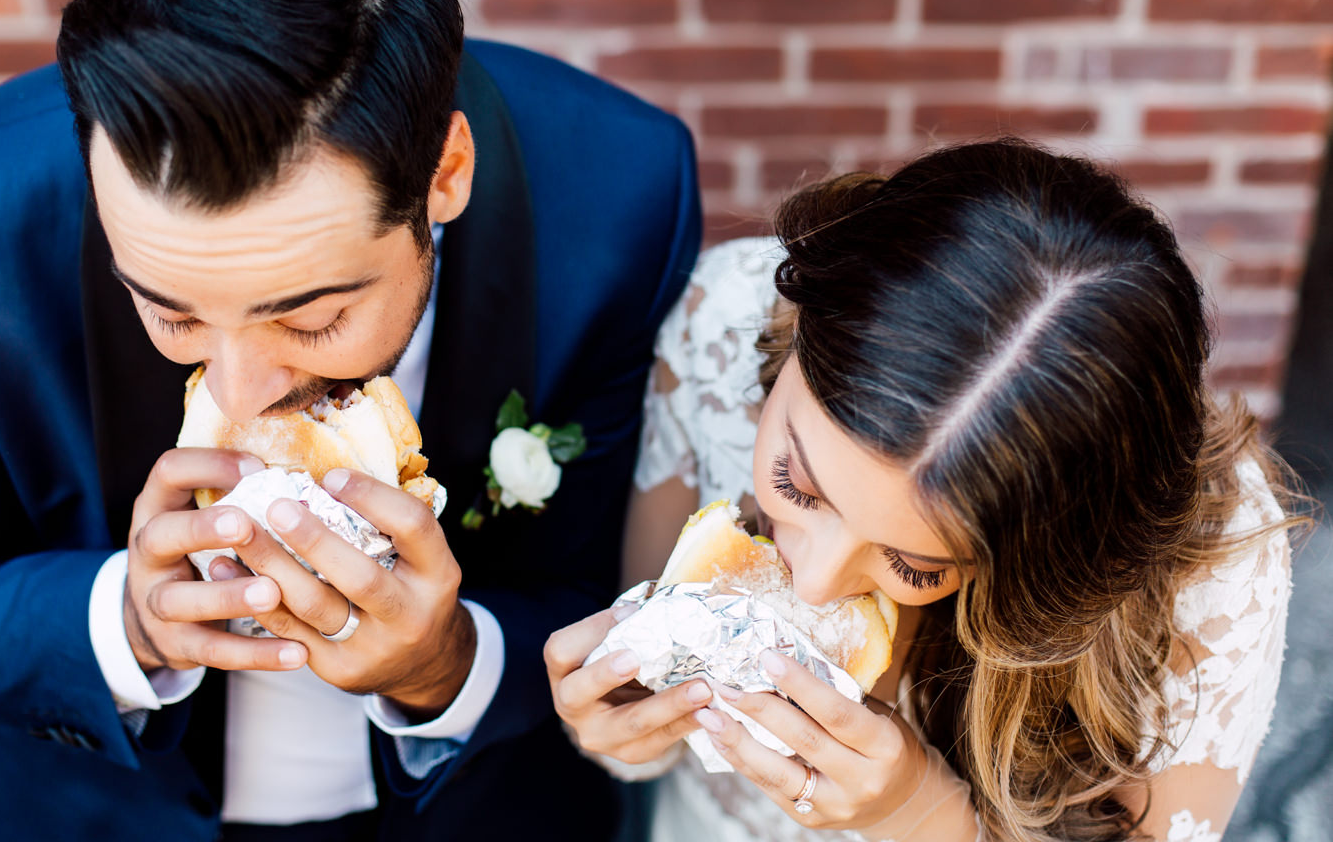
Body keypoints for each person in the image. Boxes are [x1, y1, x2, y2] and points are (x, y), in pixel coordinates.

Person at [0, 0, 700, 841]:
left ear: (446, 174)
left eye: (314, 319)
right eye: (172, 314)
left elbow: (623, 590)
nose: (239, 390)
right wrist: (128, 624)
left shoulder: (619, 191)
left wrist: (448, 665)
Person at [546, 139, 1301, 842]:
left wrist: (917, 813)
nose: (813, 582)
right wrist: (624, 729)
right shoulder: (719, 324)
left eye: (914, 564)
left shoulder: (1216, 568)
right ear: (801, 326)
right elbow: (648, 736)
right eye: (794, 482)